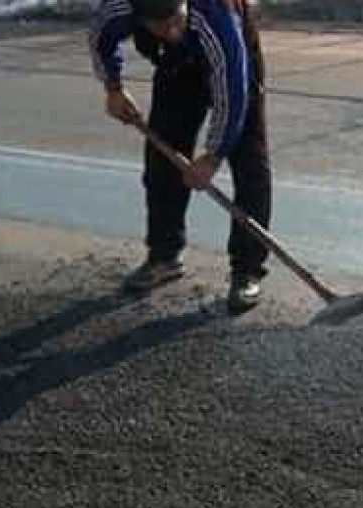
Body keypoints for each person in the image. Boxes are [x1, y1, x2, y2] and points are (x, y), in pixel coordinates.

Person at [88, 0, 272, 313]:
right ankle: (164, 256)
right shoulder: (120, 9)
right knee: (162, 162)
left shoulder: (217, 21)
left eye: (177, 21)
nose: (172, 32)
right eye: (161, 27)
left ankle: (247, 270)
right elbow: (99, 37)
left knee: (249, 164)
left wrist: (212, 157)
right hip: (177, 66)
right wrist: (113, 89)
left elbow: (232, 96)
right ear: (140, 16)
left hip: (235, 61)